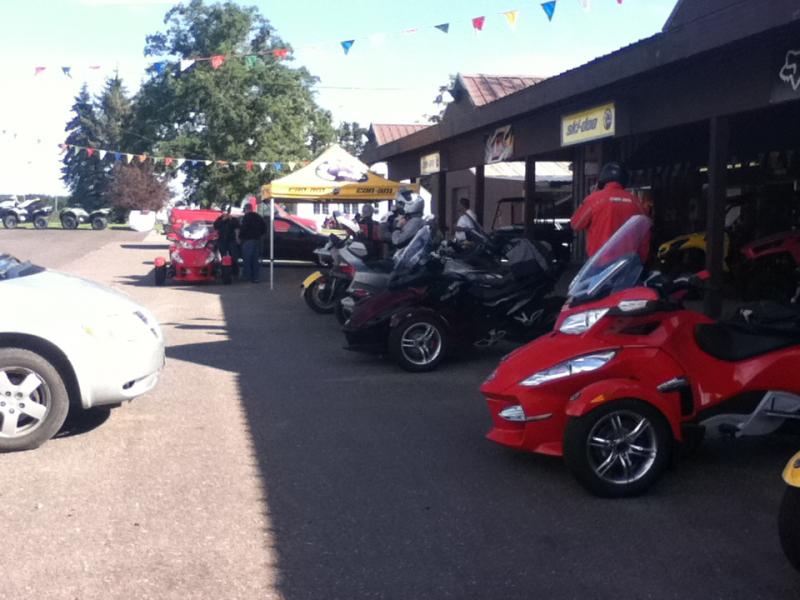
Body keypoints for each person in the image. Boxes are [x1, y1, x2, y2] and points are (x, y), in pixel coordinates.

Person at [571, 161, 646, 258]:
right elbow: (645, 231)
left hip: (600, 263)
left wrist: (594, 193)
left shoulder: (594, 200)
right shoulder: (636, 202)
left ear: (601, 180)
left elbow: (575, 224)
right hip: (627, 263)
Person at [238, 203, 266, 283]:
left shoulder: (246, 217)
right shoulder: (258, 217)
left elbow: (243, 228)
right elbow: (264, 227)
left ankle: (247, 277)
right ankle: (255, 277)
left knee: (247, 259)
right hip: (257, 240)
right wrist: (259, 235)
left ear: (246, 209)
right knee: (255, 260)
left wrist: (240, 237)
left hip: (248, 240)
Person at [213, 208, 240, 276]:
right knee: (222, 257)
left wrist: (237, 238)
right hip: (222, 240)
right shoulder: (219, 219)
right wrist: (222, 220)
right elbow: (215, 227)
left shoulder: (233, 219)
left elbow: (237, 229)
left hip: (231, 240)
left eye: (226, 211)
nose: (225, 213)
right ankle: (223, 272)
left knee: (234, 257)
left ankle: (235, 272)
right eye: (224, 211)